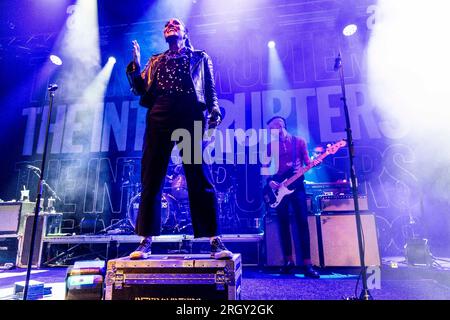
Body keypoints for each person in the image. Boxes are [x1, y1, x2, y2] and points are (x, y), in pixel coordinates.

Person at [125, 18, 232, 260]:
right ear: (165, 35)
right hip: (160, 114)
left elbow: (210, 87)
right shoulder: (155, 60)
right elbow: (140, 90)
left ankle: (214, 240)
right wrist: (135, 65)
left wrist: (214, 110)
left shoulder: (200, 57)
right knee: (151, 176)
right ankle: (145, 240)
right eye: (167, 25)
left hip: (189, 113)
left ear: (185, 32)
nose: (171, 25)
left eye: (176, 23)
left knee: (197, 173)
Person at [265, 116, 320, 278]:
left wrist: (315, 163)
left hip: (297, 187)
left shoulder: (299, 142)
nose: (275, 129)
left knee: (302, 223)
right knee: (283, 224)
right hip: (280, 190)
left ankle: (307, 264)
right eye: (272, 128)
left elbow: (307, 162)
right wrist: (270, 182)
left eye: (277, 126)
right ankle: (288, 262)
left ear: (283, 125)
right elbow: (265, 169)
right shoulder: (270, 147)